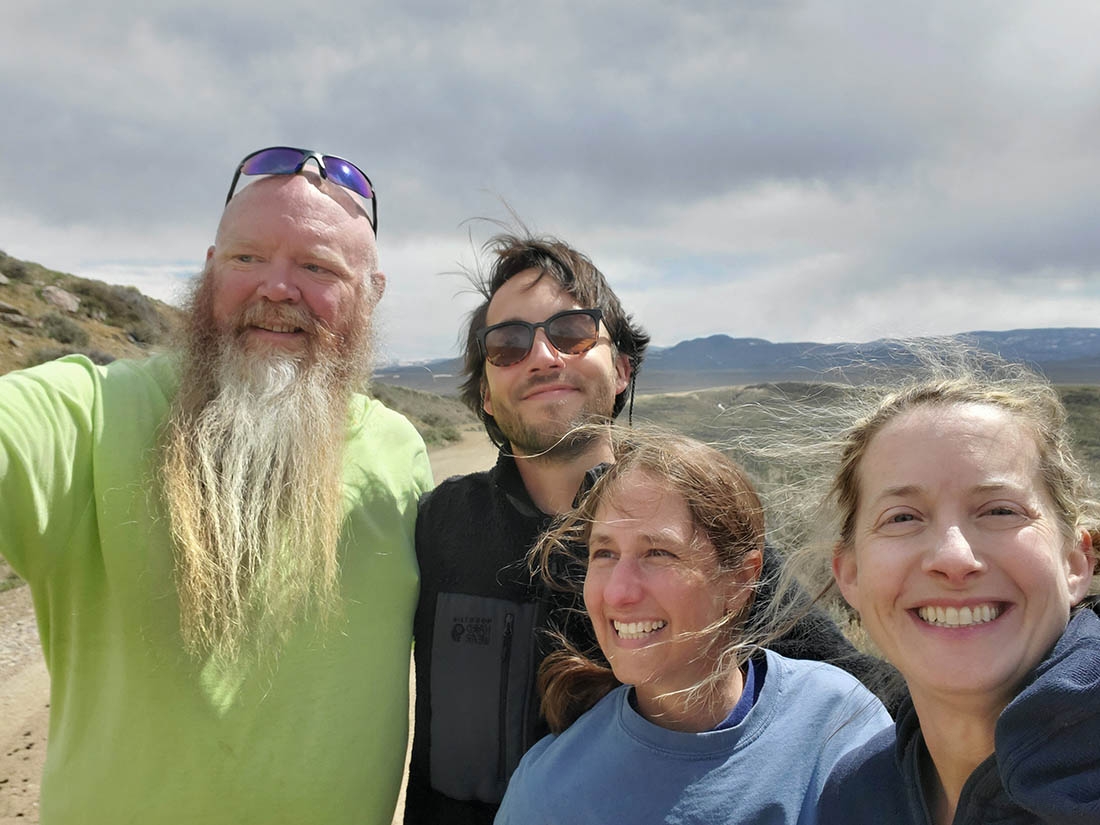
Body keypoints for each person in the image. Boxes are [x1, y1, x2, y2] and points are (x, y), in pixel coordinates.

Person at [0, 146, 432, 825]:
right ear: (208, 270)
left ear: (371, 294)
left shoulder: (400, 452)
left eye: (317, 266)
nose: (277, 288)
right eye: (247, 259)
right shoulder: (92, 410)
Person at [406, 232, 894, 824]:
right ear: (485, 393)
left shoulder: (698, 532)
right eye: (506, 345)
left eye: (571, 332)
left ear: (621, 370)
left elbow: (874, 701)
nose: (542, 356)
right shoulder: (436, 526)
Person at [494, 427, 891, 824]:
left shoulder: (840, 726)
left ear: (740, 581)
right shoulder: (548, 793)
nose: (617, 593)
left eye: (658, 553)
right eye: (604, 553)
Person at [807, 358, 1100, 824]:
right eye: (902, 517)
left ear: (1076, 562)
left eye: (1000, 511)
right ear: (850, 574)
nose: (954, 557)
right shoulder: (856, 796)